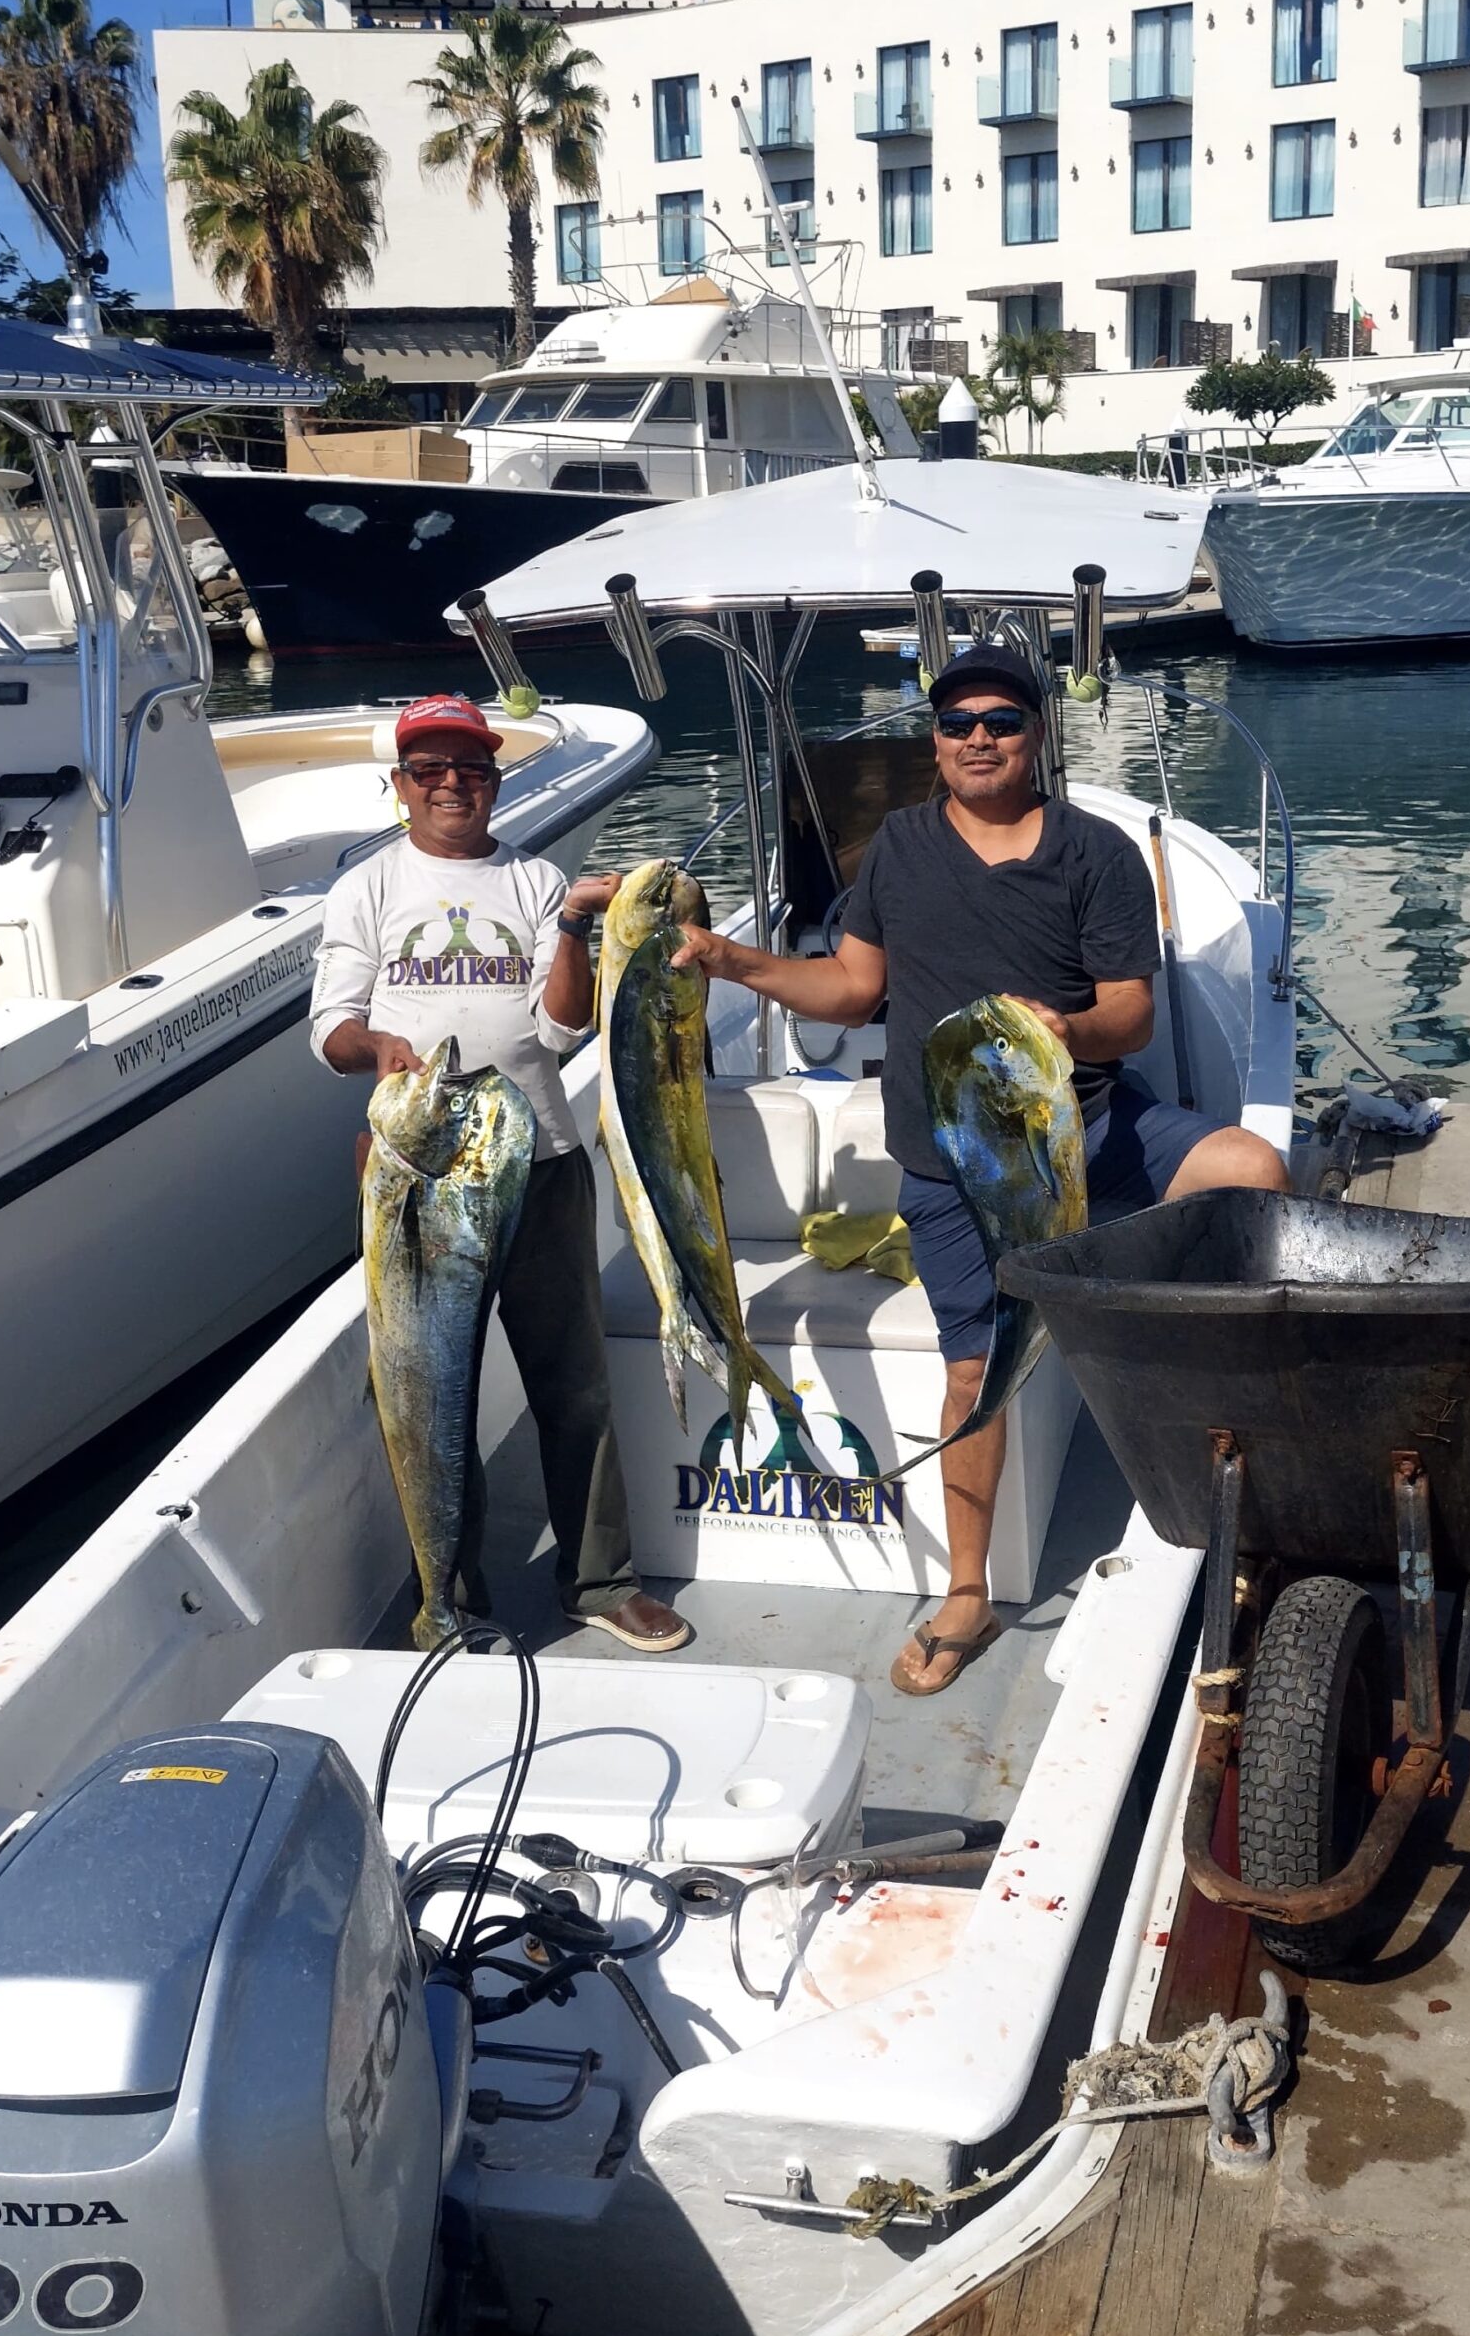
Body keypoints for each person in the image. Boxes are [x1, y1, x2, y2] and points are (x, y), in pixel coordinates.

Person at [672, 643, 1287, 1698]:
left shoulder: (1094, 853)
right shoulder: (900, 848)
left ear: (1036, 734)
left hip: (1080, 1132)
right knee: (973, 1369)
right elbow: (853, 990)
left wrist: (1071, 1025)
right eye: (955, 723)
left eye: (1000, 719)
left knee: (1251, 1168)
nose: (977, 739)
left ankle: (1237, 1483)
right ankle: (967, 1591)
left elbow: (1130, 1014)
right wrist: (732, 961)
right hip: (952, 1164)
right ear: (934, 739)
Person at [310, 692, 690, 1655]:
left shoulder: (532, 879)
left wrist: (570, 925)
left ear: (493, 780)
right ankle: (450, 1597)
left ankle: (600, 1581)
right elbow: (330, 1027)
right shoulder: (366, 887)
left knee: (576, 1384)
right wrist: (377, 1045)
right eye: (429, 769)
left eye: (469, 768)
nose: (451, 784)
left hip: (541, 1162)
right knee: (431, 1389)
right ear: (399, 786)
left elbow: (561, 1029)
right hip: (417, 1180)